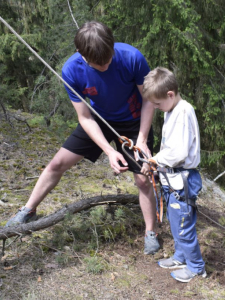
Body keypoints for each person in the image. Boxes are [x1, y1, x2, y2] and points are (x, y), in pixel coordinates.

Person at [5, 21, 160, 255]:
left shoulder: (132, 58)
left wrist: (142, 139)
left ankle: (151, 231)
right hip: (99, 119)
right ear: (81, 54)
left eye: (108, 60)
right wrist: (109, 151)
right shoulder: (71, 70)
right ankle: (28, 210)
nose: (105, 66)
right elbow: (85, 117)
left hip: (135, 122)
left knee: (142, 180)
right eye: (99, 64)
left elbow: (148, 99)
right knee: (57, 163)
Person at [142, 67, 206, 282]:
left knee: (183, 227)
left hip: (183, 179)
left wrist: (154, 160)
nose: (157, 108)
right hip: (173, 179)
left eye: (158, 104)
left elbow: (178, 153)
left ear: (170, 94)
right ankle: (181, 257)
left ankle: (196, 267)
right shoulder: (172, 110)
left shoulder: (183, 112)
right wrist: (157, 164)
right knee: (175, 221)